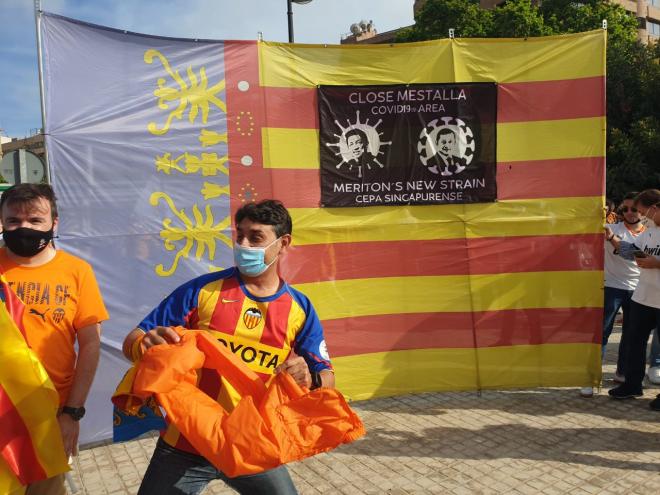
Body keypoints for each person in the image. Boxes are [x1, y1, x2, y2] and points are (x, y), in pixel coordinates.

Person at [123, 199, 334, 495]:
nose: (243, 244)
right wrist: (145, 344)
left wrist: (309, 377)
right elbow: (132, 339)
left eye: (256, 237)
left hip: (251, 443)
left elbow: (326, 377)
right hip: (184, 444)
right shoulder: (202, 290)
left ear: (283, 243)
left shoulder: (300, 308)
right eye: (240, 235)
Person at [0, 183, 108, 494]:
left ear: (54, 223)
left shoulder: (77, 272)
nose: (24, 228)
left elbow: (90, 344)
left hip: (52, 413)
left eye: (35, 221)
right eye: (13, 221)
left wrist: (72, 413)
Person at [580, 193, 647, 398]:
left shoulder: (650, 234)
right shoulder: (611, 228)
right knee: (601, 332)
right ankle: (592, 378)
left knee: (630, 335)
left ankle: (622, 373)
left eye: (633, 209)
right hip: (611, 287)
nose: (629, 213)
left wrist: (613, 240)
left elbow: (638, 257)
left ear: (641, 211)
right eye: (624, 209)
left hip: (639, 288)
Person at [607, 189, 660, 411]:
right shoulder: (650, 230)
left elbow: (652, 260)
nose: (640, 216)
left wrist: (656, 263)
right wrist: (611, 237)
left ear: (654, 208)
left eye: (642, 211)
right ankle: (631, 384)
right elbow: (633, 252)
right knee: (633, 343)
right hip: (642, 297)